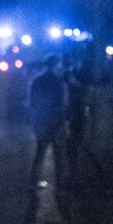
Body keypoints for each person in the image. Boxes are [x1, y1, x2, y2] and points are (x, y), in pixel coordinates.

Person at [28, 55, 70, 189]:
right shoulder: (59, 82)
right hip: (56, 120)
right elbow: (62, 104)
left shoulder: (37, 81)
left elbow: (33, 101)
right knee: (59, 153)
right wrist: (64, 121)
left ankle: (34, 180)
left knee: (40, 151)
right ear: (57, 65)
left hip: (41, 120)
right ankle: (60, 182)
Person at [65, 58, 107, 187]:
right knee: (75, 144)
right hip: (74, 112)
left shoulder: (82, 76)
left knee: (80, 143)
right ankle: (76, 173)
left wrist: (75, 83)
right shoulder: (72, 75)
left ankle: (95, 168)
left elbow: (85, 91)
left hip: (78, 113)